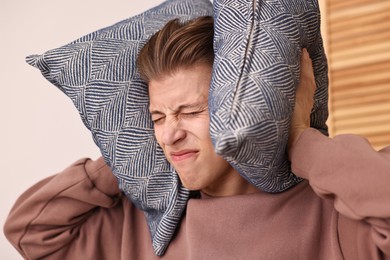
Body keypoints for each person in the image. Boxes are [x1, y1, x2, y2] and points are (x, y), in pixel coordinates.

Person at [4, 16, 390, 260]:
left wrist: (300, 136)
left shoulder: (336, 213)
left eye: (191, 112)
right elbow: (30, 231)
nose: (170, 134)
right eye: (156, 117)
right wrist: (127, 152)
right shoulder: (144, 225)